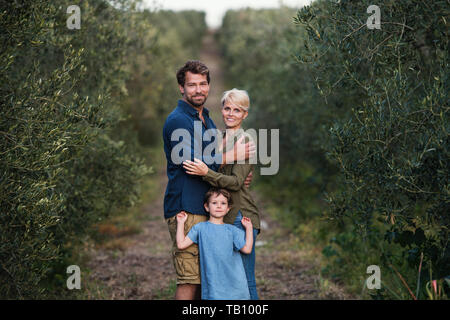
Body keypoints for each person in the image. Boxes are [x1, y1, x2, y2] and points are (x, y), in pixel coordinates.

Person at [163, 61, 255, 300]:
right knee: (190, 279)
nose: (198, 90)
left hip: (206, 211)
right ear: (181, 88)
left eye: (202, 84)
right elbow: (191, 163)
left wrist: (240, 173)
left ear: (209, 86)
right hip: (186, 209)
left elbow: (213, 165)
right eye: (191, 85)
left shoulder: (207, 120)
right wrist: (232, 155)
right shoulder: (178, 121)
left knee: (207, 279)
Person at [182, 88, 261, 299]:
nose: (231, 114)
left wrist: (206, 172)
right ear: (222, 109)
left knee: (245, 278)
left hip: (240, 216)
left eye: (238, 110)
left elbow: (235, 183)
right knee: (225, 278)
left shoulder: (245, 142)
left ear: (245, 114)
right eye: (227, 108)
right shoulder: (217, 138)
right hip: (222, 217)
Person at [176, 188, 254, 300]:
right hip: (213, 283)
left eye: (223, 203)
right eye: (214, 203)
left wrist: (249, 228)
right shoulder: (200, 228)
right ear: (207, 207)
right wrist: (180, 223)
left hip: (235, 283)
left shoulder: (232, 230)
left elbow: (247, 249)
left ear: (228, 209)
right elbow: (181, 244)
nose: (219, 206)